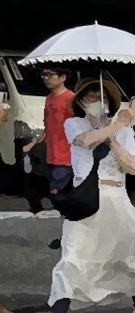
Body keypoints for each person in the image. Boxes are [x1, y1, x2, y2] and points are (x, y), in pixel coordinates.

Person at [39, 80, 135, 313]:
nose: (95, 100)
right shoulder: (74, 124)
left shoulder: (123, 131)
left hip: (117, 200)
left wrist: (115, 135)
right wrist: (119, 123)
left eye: (99, 96)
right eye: (89, 96)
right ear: (80, 101)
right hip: (86, 201)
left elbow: (133, 168)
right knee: (71, 257)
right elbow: (86, 141)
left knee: (127, 255)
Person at [23, 67, 74, 238]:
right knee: (60, 196)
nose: (46, 78)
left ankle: (71, 234)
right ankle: (68, 235)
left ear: (63, 77)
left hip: (67, 156)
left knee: (58, 194)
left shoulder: (71, 98)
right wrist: (32, 143)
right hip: (52, 155)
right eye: (44, 75)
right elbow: (47, 127)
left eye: (50, 75)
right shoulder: (49, 99)